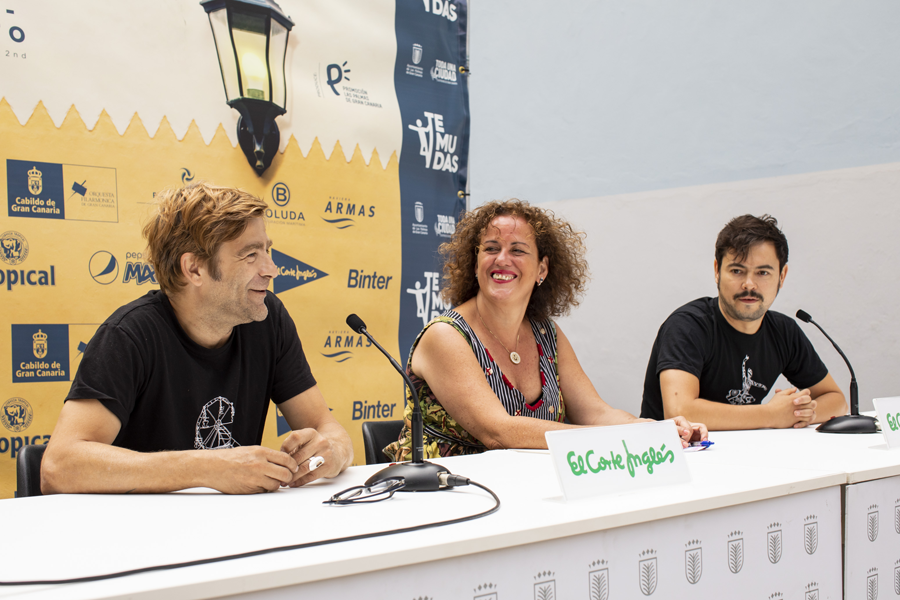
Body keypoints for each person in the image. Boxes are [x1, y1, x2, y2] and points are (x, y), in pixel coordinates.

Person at [42, 184, 353, 494]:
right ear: (194, 269)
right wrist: (209, 468)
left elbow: (324, 425)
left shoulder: (268, 318)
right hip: (140, 533)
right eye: (251, 255)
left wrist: (335, 451)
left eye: (267, 250)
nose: (271, 269)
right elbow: (59, 467)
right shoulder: (129, 335)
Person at [386, 200, 706, 461]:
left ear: (542, 268)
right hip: (445, 499)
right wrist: (620, 438)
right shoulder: (445, 336)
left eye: (518, 250)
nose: (502, 259)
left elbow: (595, 413)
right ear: (474, 263)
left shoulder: (546, 334)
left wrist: (655, 429)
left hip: (524, 490)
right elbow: (499, 432)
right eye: (491, 248)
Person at [639, 214, 847, 430]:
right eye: (737, 271)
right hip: (677, 458)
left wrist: (799, 413)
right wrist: (771, 415)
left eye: (763, 272)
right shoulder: (688, 326)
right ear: (717, 271)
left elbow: (837, 400)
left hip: (744, 456)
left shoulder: (784, 331)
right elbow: (680, 412)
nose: (749, 285)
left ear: (782, 276)